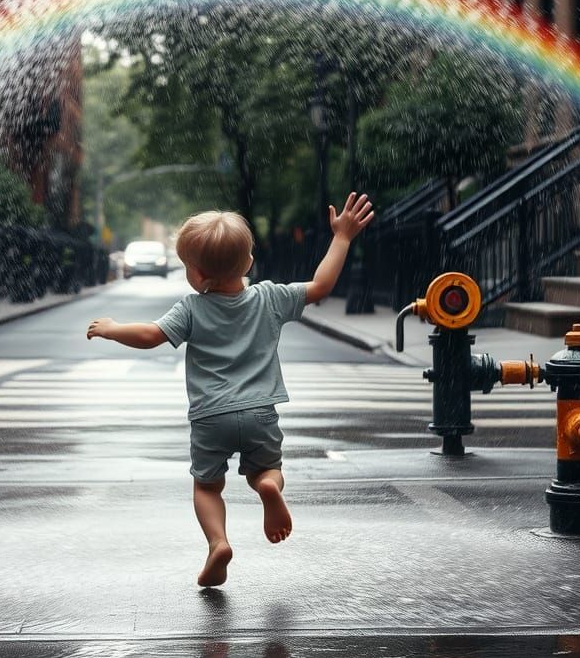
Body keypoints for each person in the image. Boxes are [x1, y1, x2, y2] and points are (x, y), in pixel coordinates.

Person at [86, 193, 374, 587]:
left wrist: (112, 329)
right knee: (266, 468)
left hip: (210, 417)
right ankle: (269, 487)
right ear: (250, 262)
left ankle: (218, 543)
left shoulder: (191, 308)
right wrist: (341, 237)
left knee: (207, 485)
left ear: (197, 275)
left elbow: (151, 335)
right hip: (260, 412)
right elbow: (321, 286)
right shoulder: (271, 297)